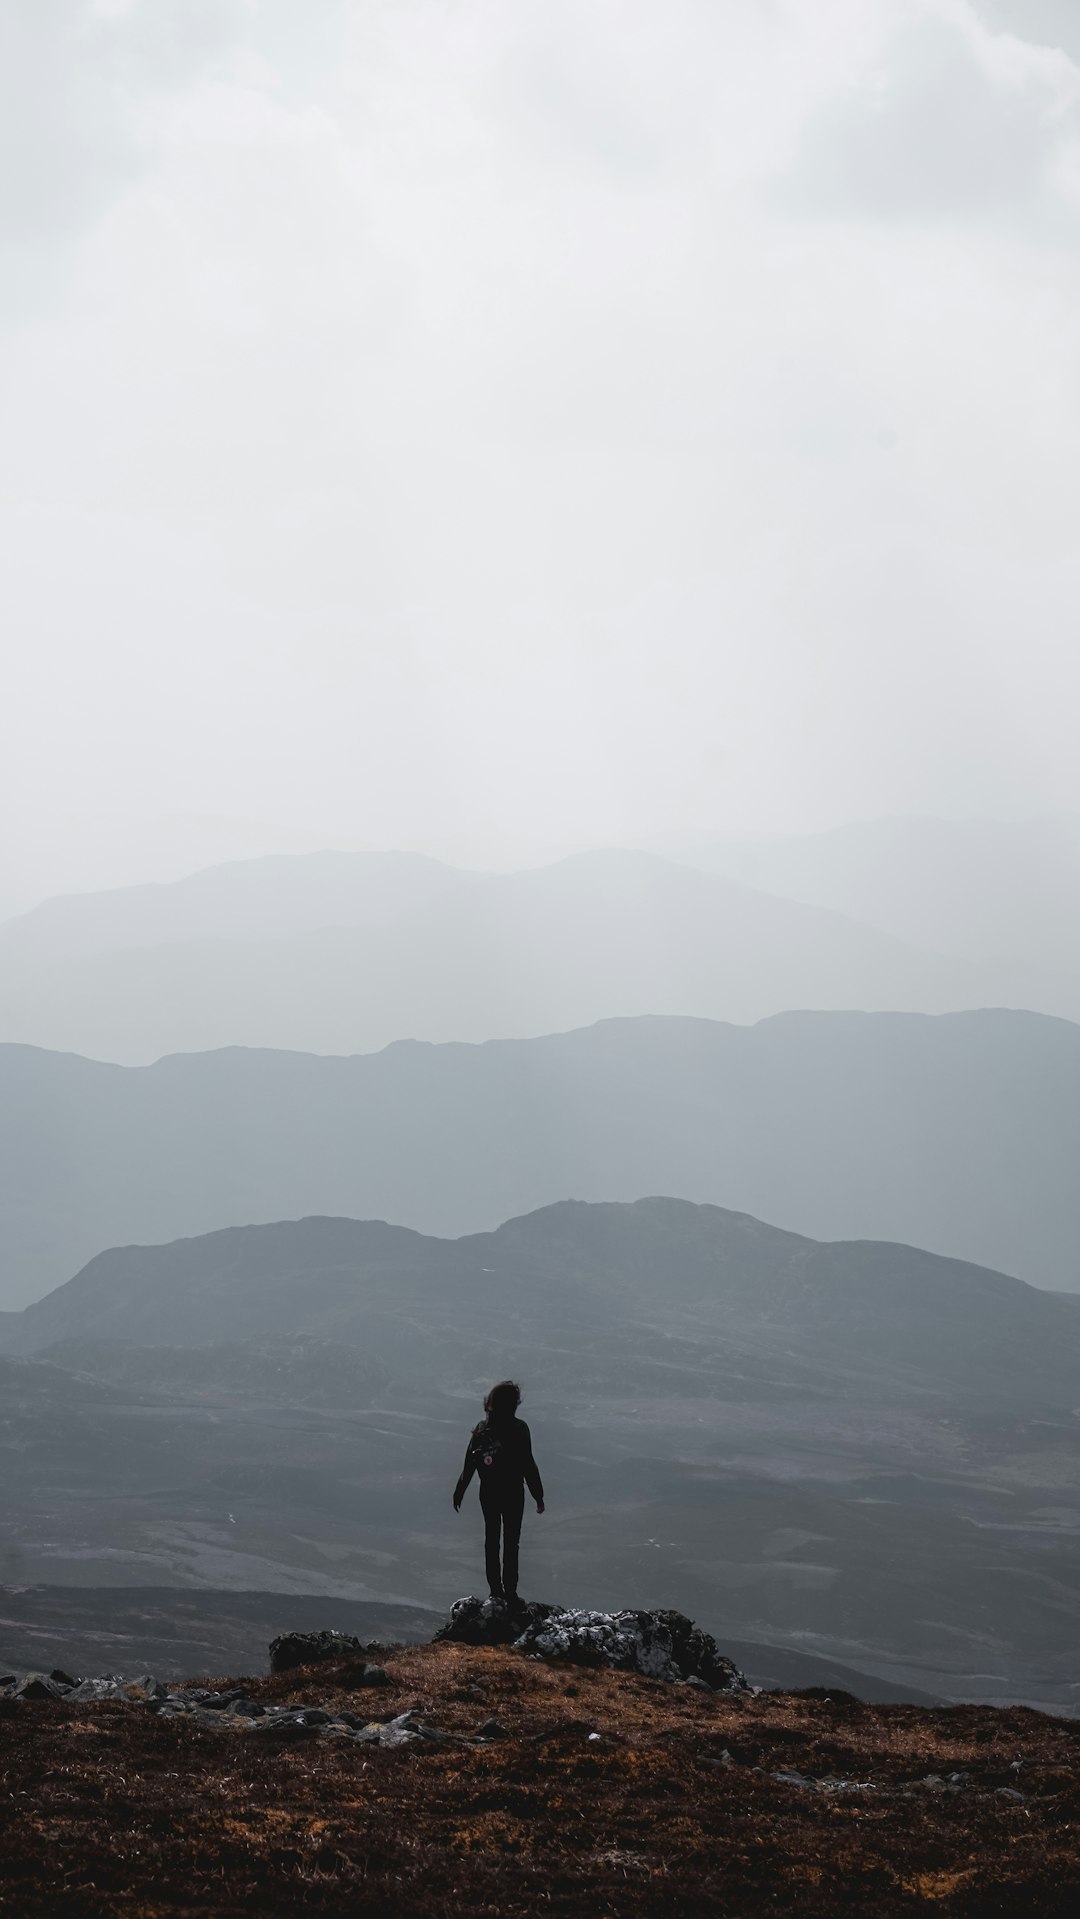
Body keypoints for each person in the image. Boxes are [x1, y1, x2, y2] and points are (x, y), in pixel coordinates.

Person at [453, 1379, 545, 1603]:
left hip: (488, 1493)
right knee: (511, 1541)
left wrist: (460, 1491)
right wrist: (538, 1495)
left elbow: (469, 1465)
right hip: (513, 1491)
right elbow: (528, 1464)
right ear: (513, 1403)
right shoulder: (519, 1428)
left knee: (491, 1539)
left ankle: (495, 1590)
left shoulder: (481, 1430)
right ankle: (510, 1592)